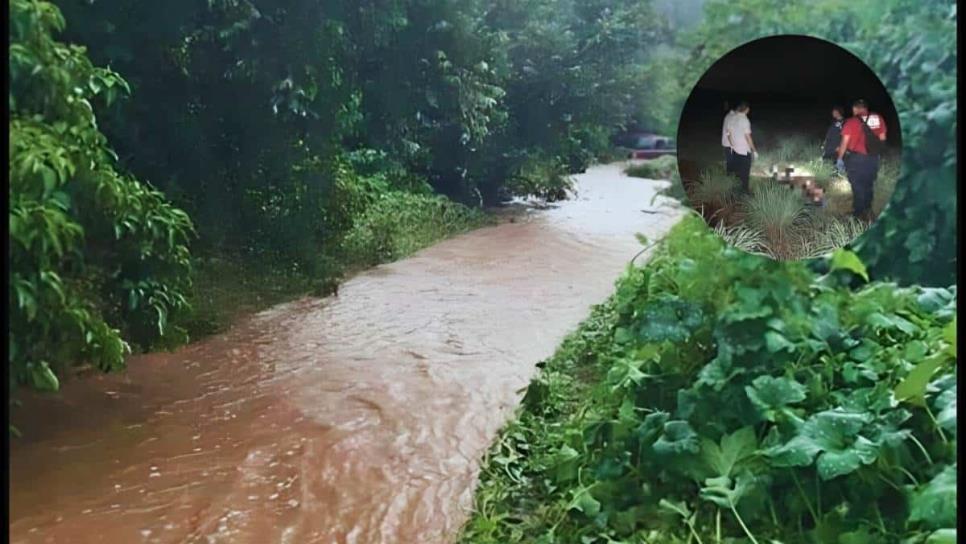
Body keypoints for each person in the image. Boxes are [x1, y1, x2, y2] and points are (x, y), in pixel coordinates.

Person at [835, 99, 887, 220]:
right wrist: (877, 153)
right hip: (873, 158)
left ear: (856, 109)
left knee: (857, 185)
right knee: (869, 183)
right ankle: (868, 209)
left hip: (857, 159)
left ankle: (858, 214)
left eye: (853, 109)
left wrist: (840, 158)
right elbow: (883, 138)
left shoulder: (851, 122)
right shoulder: (878, 118)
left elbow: (845, 142)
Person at [725, 101, 758, 194]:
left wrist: (732, 145)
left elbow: (728, 133)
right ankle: (744, 193)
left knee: (737, 172)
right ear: (747, 109)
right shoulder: (744, 120)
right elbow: (748, 137)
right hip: (744, 151)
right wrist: (754, 150)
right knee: (744, 174)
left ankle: (735, 191)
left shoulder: (732, 118)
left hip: (735, 150)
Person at [721, 101, 736, 168]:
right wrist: (732, 144)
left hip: (727, 142)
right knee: (730, 161)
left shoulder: (729, 115)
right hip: (729, 144)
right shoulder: (732, 116)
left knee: (729, 160)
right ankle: (730, 174)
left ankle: (729, 172)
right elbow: (728, 132)